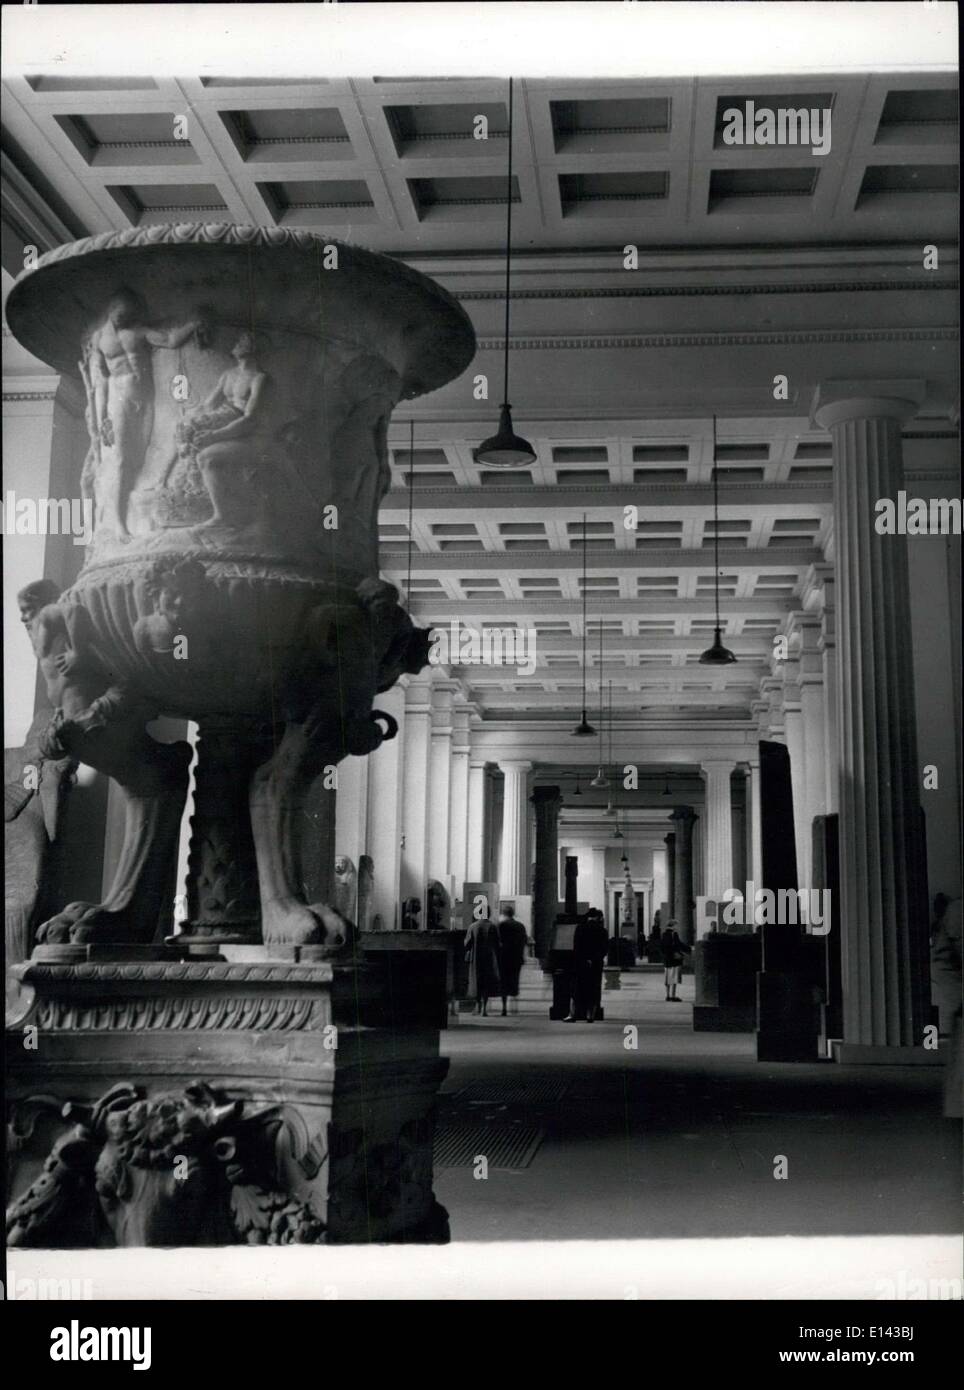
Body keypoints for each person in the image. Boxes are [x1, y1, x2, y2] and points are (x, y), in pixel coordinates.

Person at [566, 907, 609, 1022]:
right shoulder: (602, 931)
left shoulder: (580, 928)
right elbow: (604, 949)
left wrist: (583, 959)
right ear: (598, 917)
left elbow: (576, 946)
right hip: (596, 964)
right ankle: (591, 1015)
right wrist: (594, 959)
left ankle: (573, 1014)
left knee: (577, 988)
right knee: (594, 989)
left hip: (581, 962)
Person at [464, 914, 501, 1017]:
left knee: (477, 982)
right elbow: (497, 944)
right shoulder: (493, 926)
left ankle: (477, 1006)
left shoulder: (472, 926)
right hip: (489, 958)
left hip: (476, 958)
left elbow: (467, 944)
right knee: (486, 982)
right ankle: (484, 1008)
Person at [496, 905, 527, 1017]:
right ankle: (514, 1007)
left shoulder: (501, 925)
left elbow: (497, 942)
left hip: (504, 958)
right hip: (516, 958)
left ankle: (504, 1008)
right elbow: (524, 942)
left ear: (504, 914)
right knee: (514, 980)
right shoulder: (520, 926)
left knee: (504, 982)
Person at [661, 920, 690, 1001]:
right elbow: (678, 944)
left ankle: (667, 995)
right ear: (673, 926)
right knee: (674, 978)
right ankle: (673, 996)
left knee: (668, 978)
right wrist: (687, 949)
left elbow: (663, 947)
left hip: (667, 960)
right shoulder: (674, 934)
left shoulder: (664, 934)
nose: (677, 927)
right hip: (674, 960)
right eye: (676, 925)